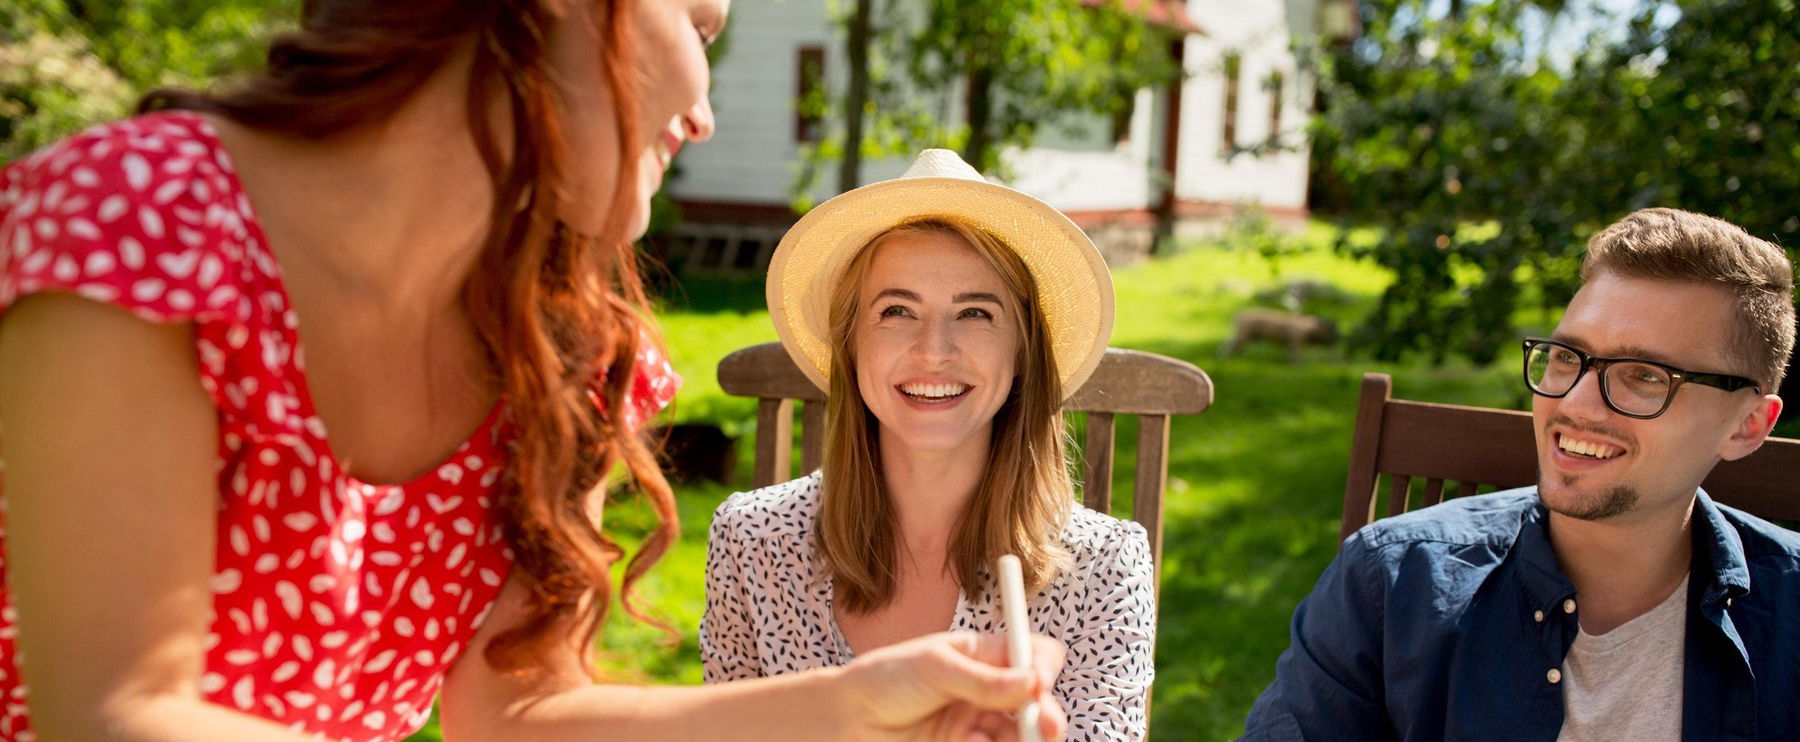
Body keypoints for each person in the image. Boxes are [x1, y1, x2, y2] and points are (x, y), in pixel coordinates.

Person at [0, 1, 1068, 741]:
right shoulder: (142, 222)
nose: (702, 115)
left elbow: (518, 712)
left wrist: (854, 707)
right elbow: (115, 711)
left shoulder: (569, 348)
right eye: (700, 31)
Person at [1240, 208, 1800, 741]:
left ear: (1748, 426)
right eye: (1566, 357)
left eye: (1646, 376)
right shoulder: (1393, 583)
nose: (1576, 405)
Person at [702, 149, 1157, 741]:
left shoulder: (1103, 566)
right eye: (896, 310)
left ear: (1022, 352)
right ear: (851, 345)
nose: (934, 350)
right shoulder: (751, 541)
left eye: (974, 313)